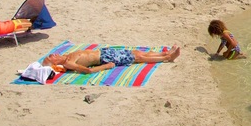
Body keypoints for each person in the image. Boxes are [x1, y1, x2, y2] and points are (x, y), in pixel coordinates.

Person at [43, 45, 181, 74]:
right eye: (51, 58)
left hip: (104, 52)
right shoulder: (68, 63)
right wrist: (106, 66)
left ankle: (164, 54)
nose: (53, 55)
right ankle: (168, 58)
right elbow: (87, 71)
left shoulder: (68, 55)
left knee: (136, 52)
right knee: (138, 58)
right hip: (104, 58)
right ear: (55, 63)